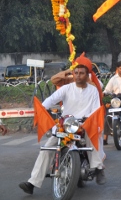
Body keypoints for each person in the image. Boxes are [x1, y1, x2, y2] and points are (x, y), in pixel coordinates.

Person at [19, 64, 106, 195]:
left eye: (81, 73)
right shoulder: (66, 88)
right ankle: (32, 182)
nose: (78, 75)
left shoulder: (93, 90)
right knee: (48, 147)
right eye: (75, 73)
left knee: (93, 137)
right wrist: (42, 110)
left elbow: (95, 110)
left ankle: (98, 168)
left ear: (87, 75)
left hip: (85, 124)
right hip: (67, 124)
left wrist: (87, 122)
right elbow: (50, 100)